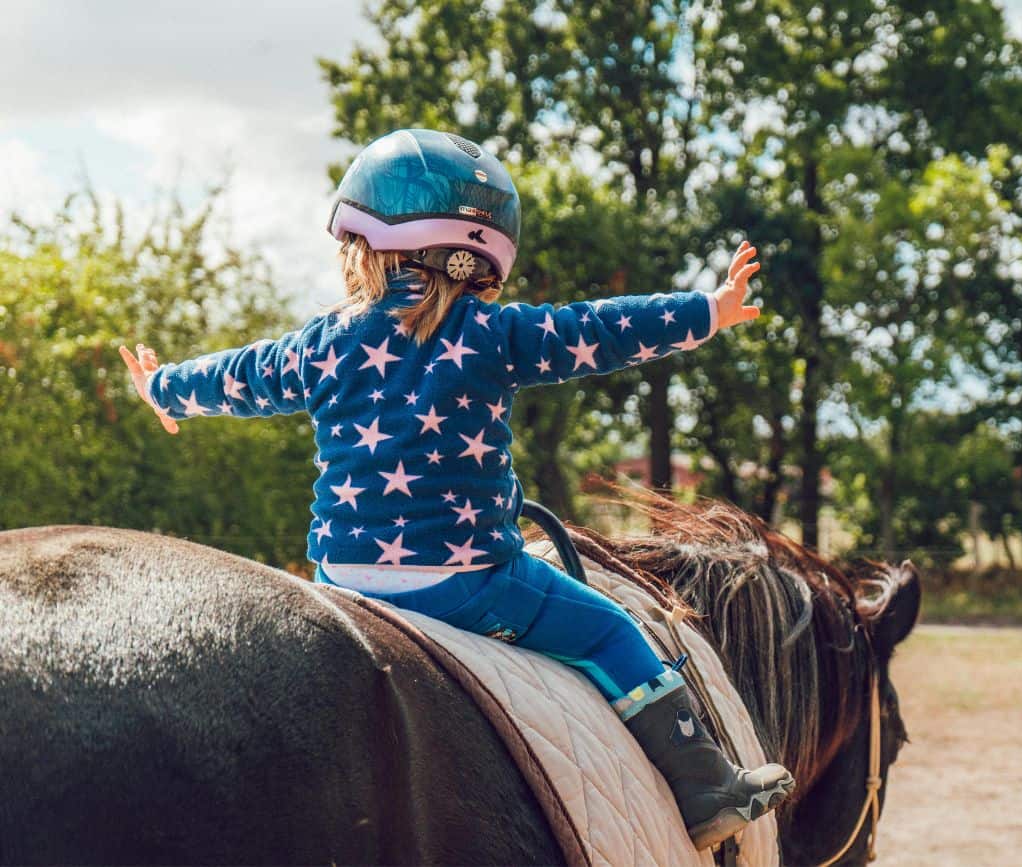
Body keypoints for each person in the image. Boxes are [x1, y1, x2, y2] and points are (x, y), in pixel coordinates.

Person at [119, 129, 793, 848]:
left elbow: (243, 375)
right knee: (609, 629)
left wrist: (164, 388)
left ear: (363, 245)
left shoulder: (321, 341)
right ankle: (704, 786)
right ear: (481, 258)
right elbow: (600, 327)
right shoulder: (494, 334)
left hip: (343, 583)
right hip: (469, 582)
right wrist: (708, 311)